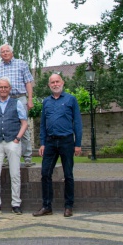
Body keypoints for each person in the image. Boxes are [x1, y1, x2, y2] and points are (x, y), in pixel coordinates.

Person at [32, 74, 82, 218]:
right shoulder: (46, 102)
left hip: (67, 141)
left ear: (62, 83)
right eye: (52, 82)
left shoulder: (71, 99)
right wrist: (42, 143)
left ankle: (68, 206)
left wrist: (77, 144)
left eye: (57, 81)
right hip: (50, 142)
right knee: (45, 173)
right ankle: (47, 206)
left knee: (68, 174)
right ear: (49, 85)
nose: (55, 84)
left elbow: (77, 123)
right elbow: (42, 124)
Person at [0, 77, 28, 215]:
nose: (3, 90)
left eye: (5, 87)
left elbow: (24, 123)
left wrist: (17, 139)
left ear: (9, 89)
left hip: (12, 141)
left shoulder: (17, 103)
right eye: (0, 87)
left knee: (15, 174)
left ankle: (16, 203)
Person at [0, 44, 35, 167]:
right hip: (4, 99)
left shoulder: (21, 63)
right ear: (0, 54)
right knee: (5, 127)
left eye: (7, 51)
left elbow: (28, 82)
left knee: (24, 126)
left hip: (20, 98)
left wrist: (30, 99)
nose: (5, 53)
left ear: (12, 52)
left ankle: (27, 157)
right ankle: (7, 158)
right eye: (2, 52)